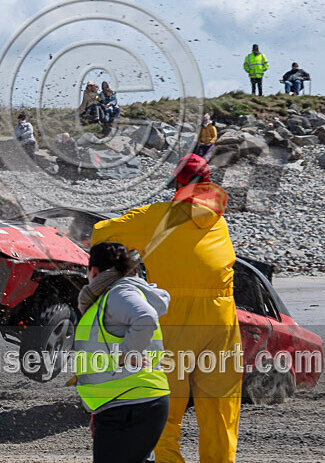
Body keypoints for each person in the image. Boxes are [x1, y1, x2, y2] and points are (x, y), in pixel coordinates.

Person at [91, 154, 243, 463]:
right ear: (209, 183)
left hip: (174, 315)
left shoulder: (157, 217)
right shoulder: (219, 221)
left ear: (176, 183)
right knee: (220, 409)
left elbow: (101, 232)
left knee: (164, 406)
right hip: (221, 319)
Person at [75, 242, 171, 463]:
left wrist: (129, 354)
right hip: (126, 405)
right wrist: (97, 411)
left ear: (94, 271)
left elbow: (146, 318)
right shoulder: (112, 296)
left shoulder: (119, 291)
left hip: (130, 406)